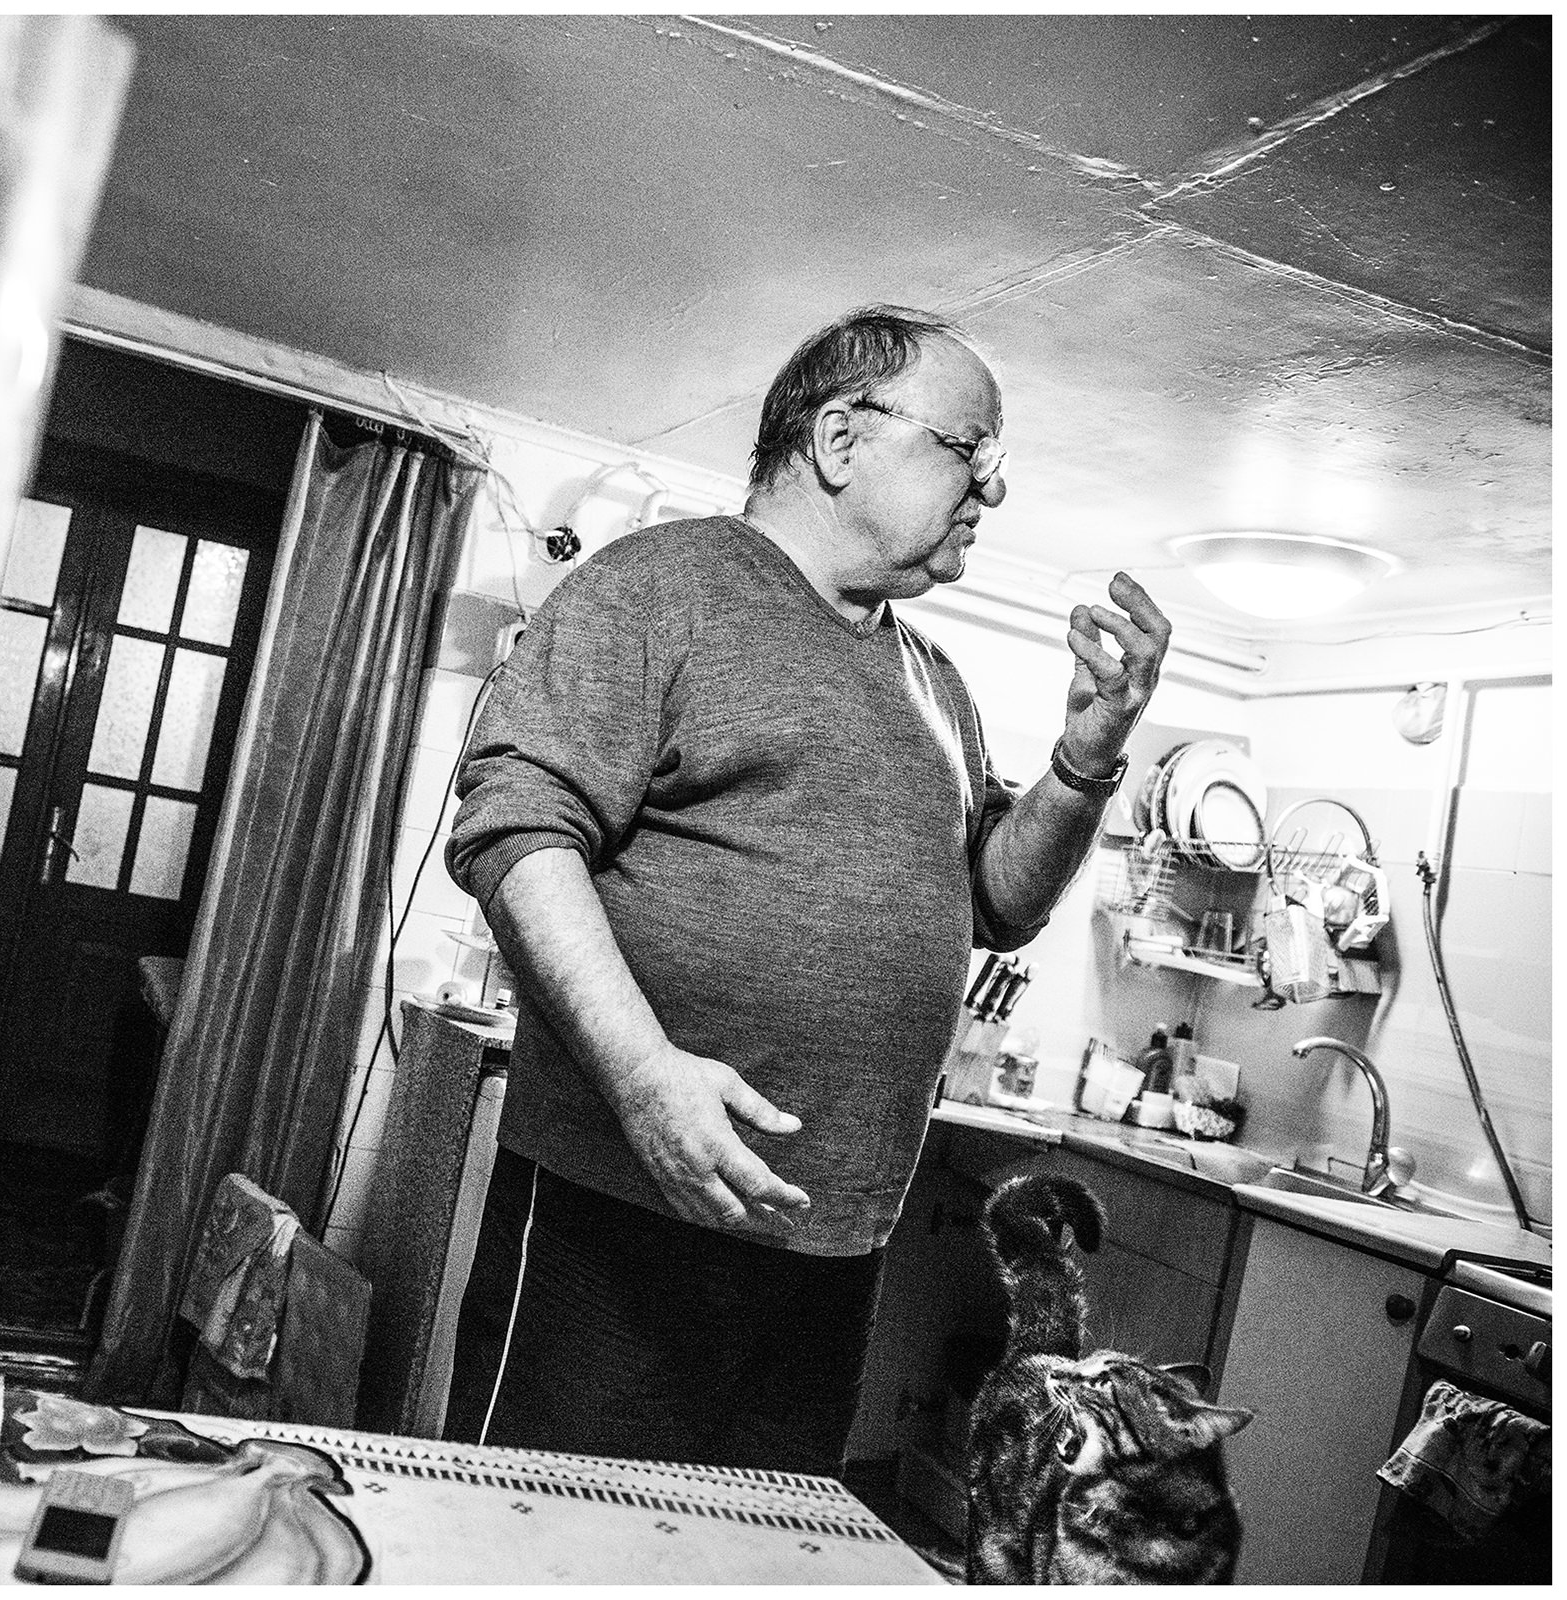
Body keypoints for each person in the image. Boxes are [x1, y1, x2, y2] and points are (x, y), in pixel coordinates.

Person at [439, 305, 1172, 1477]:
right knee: (542, 1542)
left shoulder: (937, 679)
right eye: (968, 451)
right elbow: (516, 826)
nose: (992, 488)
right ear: (839, 439)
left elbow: (998, 899)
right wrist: (643, 1077)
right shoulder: (658, 588)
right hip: (624, 1211)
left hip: (832, 1248)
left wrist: (1086, 759)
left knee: (750, 1557)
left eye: (999, 465)